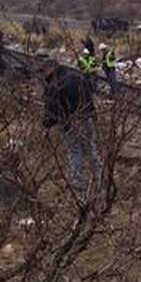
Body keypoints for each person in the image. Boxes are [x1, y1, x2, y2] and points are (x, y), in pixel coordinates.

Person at [41, 59, 101, 190]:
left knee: (74, 151)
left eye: (44, 71)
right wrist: (93, 116)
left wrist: (46, 125)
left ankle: (78, 181)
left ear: (51, 69)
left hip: (70, 123)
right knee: (91, 148)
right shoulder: (77, 77)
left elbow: (53, 109)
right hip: (87, 118)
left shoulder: (55, 85)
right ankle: (99, 178)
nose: (43, 75)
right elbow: (90, 98)